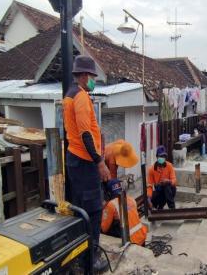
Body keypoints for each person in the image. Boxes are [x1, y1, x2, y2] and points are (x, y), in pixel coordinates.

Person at [63, 55, 110, 271]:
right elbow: (85, 134)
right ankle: (91, 260)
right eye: (92, 76)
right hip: (84, 161)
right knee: (93, 210)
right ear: (83, 75)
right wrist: (99, 161)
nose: (94, 80)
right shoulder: (81, 97)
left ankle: (82, 257)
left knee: (80, 209)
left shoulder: (69, 95)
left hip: (75, 159)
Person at [101, 179, 147, 246]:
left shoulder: (111, 205)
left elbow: (104, 229)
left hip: (131, 242)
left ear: (108, 194)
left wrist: (103, 209)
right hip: (142, 238)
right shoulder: (131, 199)